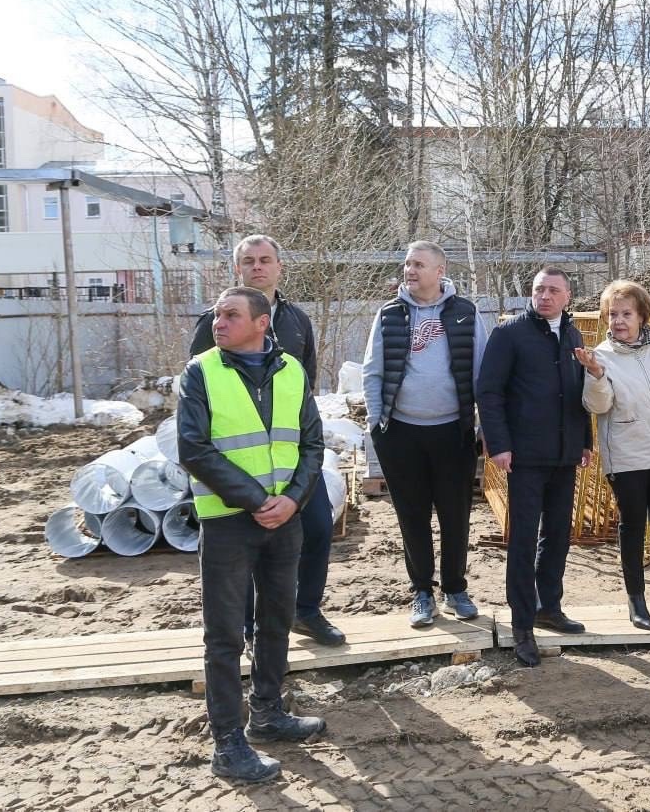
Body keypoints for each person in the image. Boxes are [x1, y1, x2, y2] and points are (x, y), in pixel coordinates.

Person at [178, 287, 327, 783]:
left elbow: (312, 444)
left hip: (284, 520)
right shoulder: (200, 372)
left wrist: (293, 500)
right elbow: (193, 448)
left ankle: (267, 713)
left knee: (277, 620)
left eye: (230, 315)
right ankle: (227, 744)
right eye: (217, 315)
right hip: (228, 521)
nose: (218, 323)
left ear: (262, 323)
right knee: (224, 635)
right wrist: (257, 500)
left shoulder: (292, 371)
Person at [189, 235, 345, 648]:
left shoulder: (297, 321)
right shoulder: (213, 323)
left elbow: (305, 387)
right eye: (248, 261)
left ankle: (305, 611)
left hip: (290, 460)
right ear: (237, 268)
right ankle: (247, 626)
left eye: (264, 260)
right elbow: (199, 390)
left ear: (279, 267)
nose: (256, 267)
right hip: (237, 466)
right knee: (243, 543)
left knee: (318, 527)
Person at [362, 241, 488, 628]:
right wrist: (377, 425)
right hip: (401, 435)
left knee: (455, 516)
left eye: (418, 264)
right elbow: (373, 371)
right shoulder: (389, 314)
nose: (410, 270)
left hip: (453, 433)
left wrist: (483, 426)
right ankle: (422, 593)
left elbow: (483, 372)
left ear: (439, 271)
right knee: (412, 516)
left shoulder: (465, 313)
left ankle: (455, 590)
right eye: (407, 264)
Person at [477, 267, 593, 667]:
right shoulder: (509, 334)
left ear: (567, 296)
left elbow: (580, 392)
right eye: (539, 289)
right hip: (524, 455)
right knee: (524, 540)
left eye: (553, 290)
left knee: (558, 535)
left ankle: (549, 607)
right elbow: (489, 391)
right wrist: (499, 445)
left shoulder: (573, 335)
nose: (545, 296)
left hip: (564, 453)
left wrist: (585, 440)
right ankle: (522, 625)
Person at [576, 280, 650, 630]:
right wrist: (596, 375)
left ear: (642, 316)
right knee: (632, 527)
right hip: (627, 456)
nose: (618, 321)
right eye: (612, 314)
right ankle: (635, 598)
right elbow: (597, 405)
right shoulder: (601, 356)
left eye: (626, 314)